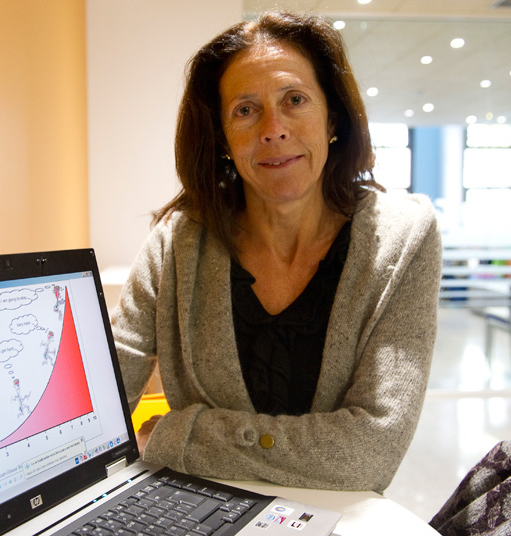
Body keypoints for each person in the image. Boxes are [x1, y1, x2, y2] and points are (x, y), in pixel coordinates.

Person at [110, 11, 442, 493]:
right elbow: (104, 400)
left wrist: (183, 435)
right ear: (223, 139)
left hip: (336, 519)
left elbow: (371, 451)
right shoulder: (177, 241)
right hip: (196, 515)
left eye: (295, 100)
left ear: (332, 118)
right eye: (245, 110)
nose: (273, 129)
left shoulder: (404, 240)